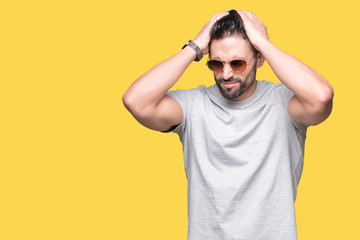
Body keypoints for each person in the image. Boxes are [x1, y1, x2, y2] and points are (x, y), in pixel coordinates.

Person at [123, 9, 334, 240]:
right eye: (216, 63)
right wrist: (194, 47)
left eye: (237, 63)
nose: (225, 74)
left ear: (260, 58)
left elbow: (321, 97)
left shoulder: (284, 103)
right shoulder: (194, 105)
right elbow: (136, 101)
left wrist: (263, 42)